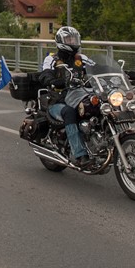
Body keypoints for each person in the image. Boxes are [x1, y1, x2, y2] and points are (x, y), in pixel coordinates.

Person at [38, 26, 96, 168]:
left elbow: (98, 67)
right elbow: (45, 75)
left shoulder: (81, 59)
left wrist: (123, 74)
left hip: (79, 96)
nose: (73, 41)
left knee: (99, 105)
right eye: (69, 39)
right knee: (69, 112)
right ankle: (80, 155)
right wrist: (55, 81)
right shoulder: (52, 59)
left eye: (74, 39)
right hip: (58, 101)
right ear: (61, 41)